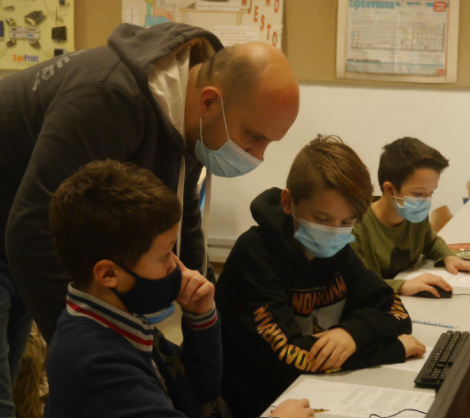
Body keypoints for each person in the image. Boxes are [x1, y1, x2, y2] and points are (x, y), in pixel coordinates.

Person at [0, 22, 298, 415]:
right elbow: (30, 231)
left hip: (21, 229)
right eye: (253, 137)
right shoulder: (109, 99)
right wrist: (98, 354)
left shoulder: (190, 119)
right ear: (210, 102)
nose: (256, 156)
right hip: (18, 228)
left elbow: (183, 216)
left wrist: (200, 304)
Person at [44, 160, 312, 418]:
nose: (176, 265)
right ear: (108, 274)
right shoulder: (100, 365)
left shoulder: (123, 318)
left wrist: (200, 317)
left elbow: (199, 393)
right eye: (164, 256)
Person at [215, 136, 425, 418]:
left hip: (316, 389)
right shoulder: (255, 256)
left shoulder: (338, 250)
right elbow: (289, 359)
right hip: (260, 403)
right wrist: (390, 350)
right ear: (288, 202)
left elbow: (395, 312)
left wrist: (352, 333)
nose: (334, 232)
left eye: (347, 222)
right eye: (322, 219)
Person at [351, 137, 470, 297]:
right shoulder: (355, 227)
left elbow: (431, 241)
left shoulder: (413, 216)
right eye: (418, 194)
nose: (426, 201)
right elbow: (357, 284)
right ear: (390, 189)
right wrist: (401, 286)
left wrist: (448, 256)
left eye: (431, 192)